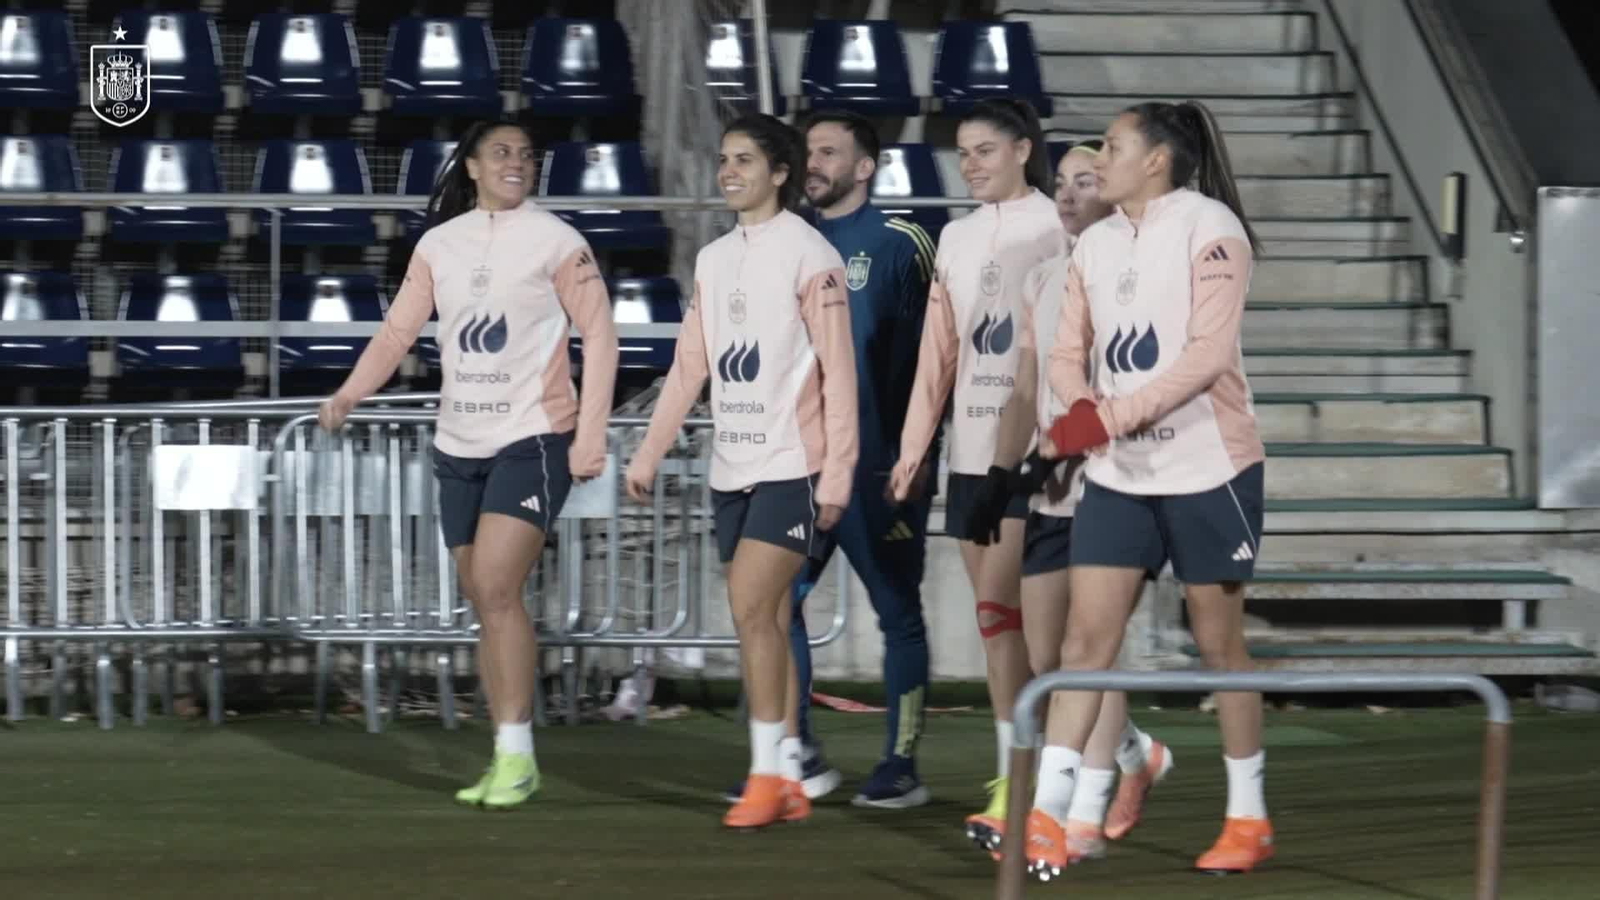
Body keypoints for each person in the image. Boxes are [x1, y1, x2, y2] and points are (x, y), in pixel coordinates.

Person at [318, 119, 618, 810]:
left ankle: (518, 758)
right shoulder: (439, 245)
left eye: (526, 154)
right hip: (457, 443)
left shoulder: (558, 241)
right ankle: (506, 755)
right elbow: (398, 330)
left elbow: (600, 335)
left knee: (494, 584)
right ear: (474, 167)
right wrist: (349, 394)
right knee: (487, 600)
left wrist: (590, 435)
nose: (516, 162)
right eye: (502, 152)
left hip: (535, 436)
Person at [1033, 99, 1273, 876]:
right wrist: (1079, 411)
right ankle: (1050, 815)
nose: (1097, 159)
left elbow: (1205, 357)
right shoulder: (1096, 242)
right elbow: (1068, 346)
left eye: (1112, 145)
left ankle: (1247, 818)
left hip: (1211, 469)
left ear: (1157, 160)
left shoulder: (1213, 229)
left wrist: (1103, 420)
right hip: (1121, 476)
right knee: (1084, 644)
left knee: (1218, 647)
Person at [624, 113, 858, 830]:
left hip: (794, 464)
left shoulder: (810, 254)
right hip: (732, 465)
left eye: (745, 160)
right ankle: (787, 773)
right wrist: (648, 450)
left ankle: (763, 773)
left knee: (753, 609)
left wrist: (839, 472)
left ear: (780, 173)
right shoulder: (716, 258)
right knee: (771, 615)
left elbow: (841, 374)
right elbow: (689, 365)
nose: (728, 171)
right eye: (724, 158)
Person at [971, 139, 1174, 871]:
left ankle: (1074, 815)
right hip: (1050, 484)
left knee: (1087, 649)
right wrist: (999, 475)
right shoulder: (1047, 277)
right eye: (1059, 181)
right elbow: (1027, 387)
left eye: (1084, 179)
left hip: (1114, 482)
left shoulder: (1140, 272)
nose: (1066, 192)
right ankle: (1133, 753)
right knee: (1056, 654)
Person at [887, 97, 1064, 850]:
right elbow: (940, 352)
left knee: (1034, 629)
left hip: (1034, 456)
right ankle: (1029, 770)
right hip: (967, 455)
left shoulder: (1058, 227)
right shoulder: (954, 238)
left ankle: (1041, 780)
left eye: (986, 149)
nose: (972, 164)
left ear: (1023, 150)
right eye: (964, 152)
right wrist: (912, 445)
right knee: (997, 624)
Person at [770, 109, 940, 809]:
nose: (812, 162)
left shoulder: (902, 242)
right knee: (778, 603)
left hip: (877, 465)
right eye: (807, 150)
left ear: (864, 167)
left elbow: (937, 358)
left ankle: (901, 764)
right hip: (800, 466)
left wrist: (915, 451)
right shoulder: (784, 240)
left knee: (896, 612)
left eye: (828, 152)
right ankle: (797, 752)